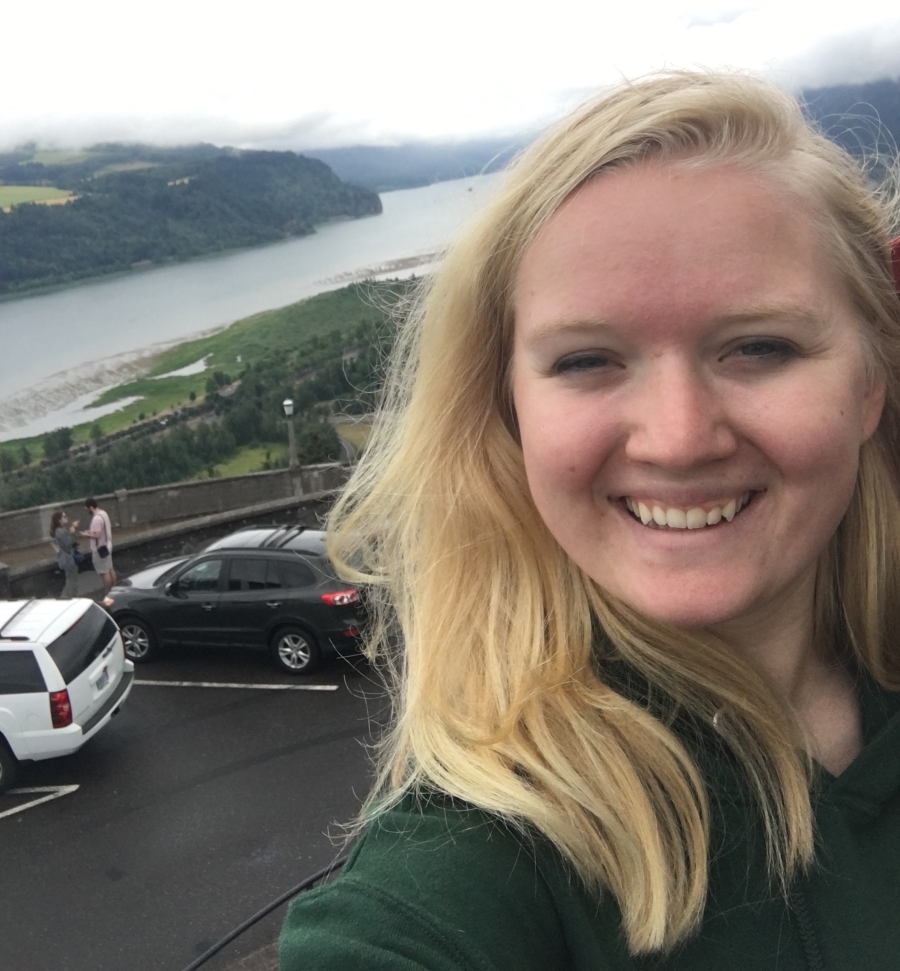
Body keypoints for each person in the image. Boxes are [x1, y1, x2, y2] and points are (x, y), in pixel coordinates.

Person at [279, 71, 900, 970]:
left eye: (759, 347)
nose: (679, 440)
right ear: (507, 410)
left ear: (870, 383)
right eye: (587, 361)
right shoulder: (474, 866)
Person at [81, 497, 116, 591]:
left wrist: (87, 535)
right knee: (110, 568)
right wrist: (90, 531)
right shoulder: (104, 513)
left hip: (100, 549)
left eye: (87, 508)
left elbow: (97, 535)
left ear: (91, 507)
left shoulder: (96, 519)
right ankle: (114, 588)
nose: (87, 510)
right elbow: (101, 530)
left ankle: (108, 592)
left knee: (105, 573)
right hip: (108, 545)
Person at [50, 509, 80, 599]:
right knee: (71, 581)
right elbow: (67, 544)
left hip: (69, 559)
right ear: (59, 520)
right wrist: (72, 531)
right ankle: (70, 598)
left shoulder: (62, 530)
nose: (66, 518)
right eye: (64, 517)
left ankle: (71, 597)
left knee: (72, 580)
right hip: (67, 560)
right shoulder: (59, 531)